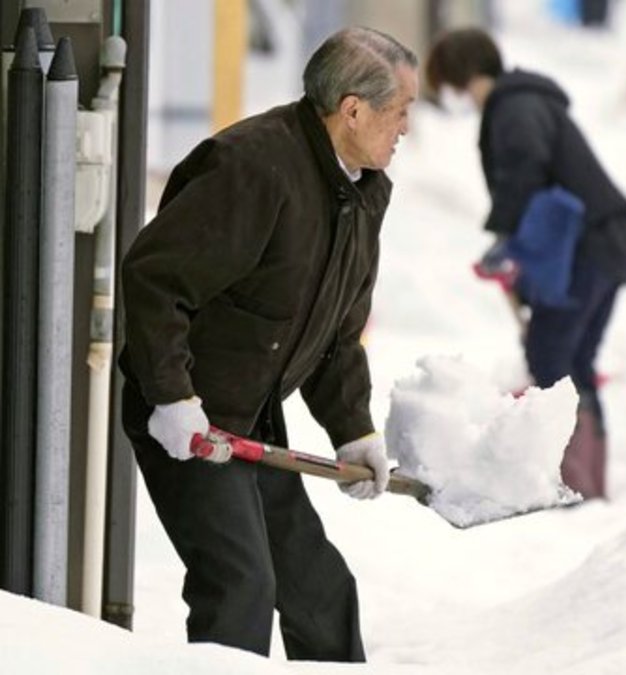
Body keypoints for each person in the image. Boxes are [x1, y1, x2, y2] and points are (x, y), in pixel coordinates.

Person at [118, 28, 418, 660]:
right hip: (188, 413)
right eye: (400, 111)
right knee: (240, 585)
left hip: (252, 414)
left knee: (318, 590)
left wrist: (353, 429)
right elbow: (155, 279)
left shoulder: (363, 191)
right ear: (353, 110)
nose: (406, 128)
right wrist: (171, 397)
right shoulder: (252, 166)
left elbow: (336, 332)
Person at [425, 28, 626, 500]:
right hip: (602, 242)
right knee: (571, 358)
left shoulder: (514, 107)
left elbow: (524, 167)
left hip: (589, 246)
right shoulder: (521, 102)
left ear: (463, 76)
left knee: (552, 356)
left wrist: (504, 237)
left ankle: (575, 483)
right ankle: (585, 483)